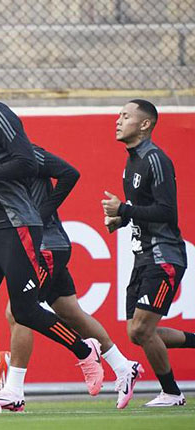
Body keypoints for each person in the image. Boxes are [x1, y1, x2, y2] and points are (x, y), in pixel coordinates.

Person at [0, 61, 103, 415]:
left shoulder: (1, 118)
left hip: (16, 225)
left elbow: (25, 163)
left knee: (25, 310)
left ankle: (85, 351)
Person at [0, 143, 140, 411]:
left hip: (45, 246)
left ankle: (14, 389)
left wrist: (38, 216)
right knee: (70, 312)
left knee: (19, 311)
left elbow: (69, 173)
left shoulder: (24, 151)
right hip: (39, 244)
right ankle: (124, 366)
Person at [102, 99, 192, 407]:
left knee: (142, 328)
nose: (118, 120)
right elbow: (144, 209)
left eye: (125, 116)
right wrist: (121, 219)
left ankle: (172, 393)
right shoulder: (132, 161)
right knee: (137, 332)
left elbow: (167, 212)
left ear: (144, 124)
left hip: (163, 256)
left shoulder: (155, 159)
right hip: (143, 257)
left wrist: (124, 209)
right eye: (118, 115)